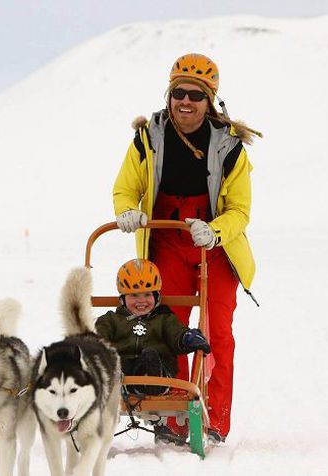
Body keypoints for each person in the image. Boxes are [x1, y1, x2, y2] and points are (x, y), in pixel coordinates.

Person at [112, 53, 260, 444]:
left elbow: (240, 211)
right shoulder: (148, 139)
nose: (186, 102)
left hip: (214, 245)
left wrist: (214, 231)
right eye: (179, 92)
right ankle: (174, 417)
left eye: (196, 94)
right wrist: (126, 211)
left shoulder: (229, 147)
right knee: (169, 328)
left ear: (209, 100)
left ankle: (215, 420)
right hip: (166, 237)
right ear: (169, 94)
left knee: (218, 333)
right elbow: (126, 187)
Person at [95, 258, 210, 444]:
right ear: (122, 299)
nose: (141, 301)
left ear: (156, 296)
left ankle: (156, 407)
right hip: (123, 380)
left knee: (150, 354)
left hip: (157, 377)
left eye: (147, 294)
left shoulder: (164, 318)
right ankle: (102, 419)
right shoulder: (112, 320)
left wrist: (187, 337)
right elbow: (98, 336)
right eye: (134, 295)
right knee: (114, 360)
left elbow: (176, 335)